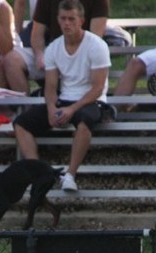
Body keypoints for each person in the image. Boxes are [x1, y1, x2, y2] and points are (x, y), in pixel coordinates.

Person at [11, 0, 110, 193]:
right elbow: (50, 86)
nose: (66, 23)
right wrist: (51, 108)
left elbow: (98, 88)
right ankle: (37, 173)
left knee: (84, 122)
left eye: (71, 19)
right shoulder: (54, 48)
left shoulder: (97, 46)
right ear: (57, 20)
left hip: (91, 100)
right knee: (21, 123)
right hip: (65, 98)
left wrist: (71, 109)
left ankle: (70, 175)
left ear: (81, 20)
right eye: (63, 19)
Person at [4, 0, 108, 93]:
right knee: (11, 60)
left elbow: (95, 38)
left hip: (82, 53)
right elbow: (37, 33)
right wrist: (39, 54)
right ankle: (25, 108)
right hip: (53, 50)